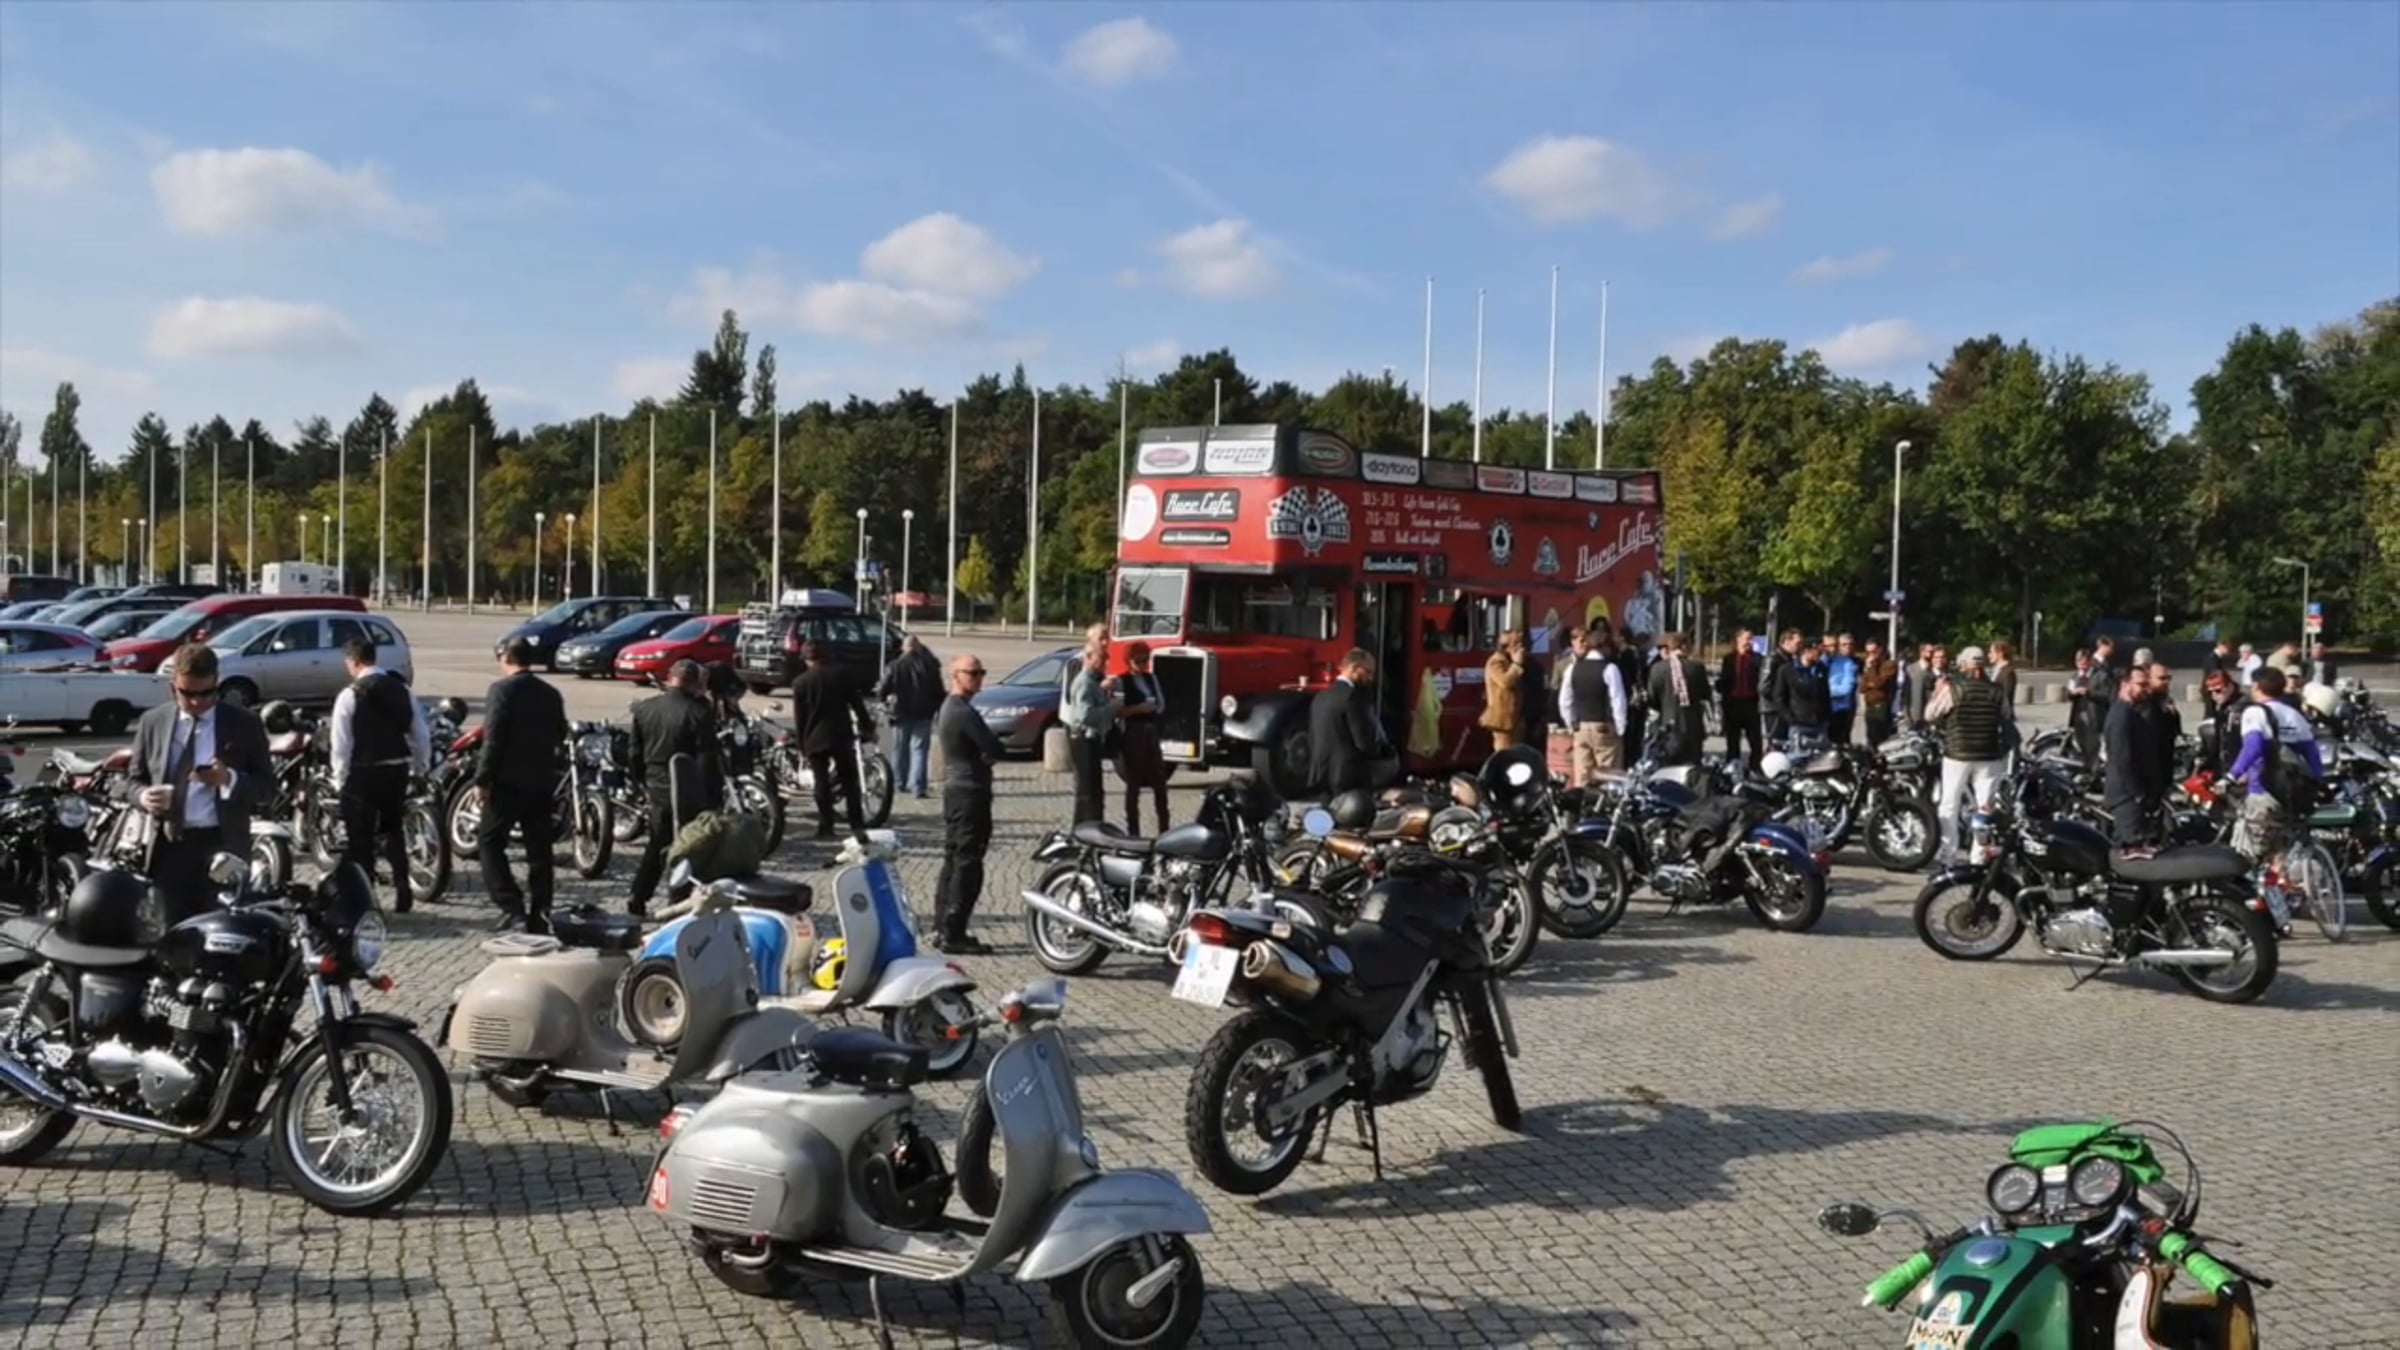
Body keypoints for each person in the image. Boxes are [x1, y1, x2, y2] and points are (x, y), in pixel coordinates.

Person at [122, 643, 275, 925]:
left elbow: (267, 788)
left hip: (222, 846)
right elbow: (130, 781)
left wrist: (229, 779)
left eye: (206, 693)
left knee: (218, 929)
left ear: (217, 683)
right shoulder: (153, 722)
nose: (197, 702)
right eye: (188, 694)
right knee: (170, 930)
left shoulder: (244, 723)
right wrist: (143, 796)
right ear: (173, 687)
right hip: (169, 847)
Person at [328, 637, 431, 914]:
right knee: (393, 830)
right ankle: (403, 887)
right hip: (396, 769)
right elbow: (420, 734)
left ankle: (367, 898)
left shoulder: (350, 695)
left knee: (360, 838)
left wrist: (340, 778)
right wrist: (420, 768)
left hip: (363, 772)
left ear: (354, 661)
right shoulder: (402, 690)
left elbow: (341, 744)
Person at [476, 637, 568, 933]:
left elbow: (493, 739)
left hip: (507, 782)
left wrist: (483, 779)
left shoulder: (502, 690)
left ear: (506, 658)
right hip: (541, 779)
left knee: (490, 842)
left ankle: (511, 906)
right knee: (540, 850)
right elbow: (560, 731)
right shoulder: (550, 693)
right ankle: (541, 911)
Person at [626, 659, 725, 916]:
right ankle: (678, 897)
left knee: (657, 844)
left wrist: (642, 783)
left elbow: (634, 753)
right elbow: (707, 759)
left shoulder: (645, 709)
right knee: (690, 845)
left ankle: (638, 896)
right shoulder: (699, 712)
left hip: (656, 784)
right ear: (694, 682)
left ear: (670, 677)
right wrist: (714, 797)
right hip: (689, 787)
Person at [932, 654, 1002, 954]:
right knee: (967, 862)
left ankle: (942, 926)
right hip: (969, 792)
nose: (978, 678)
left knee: (954, 858)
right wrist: (987, 755)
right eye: (972, 673)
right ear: (956, 675)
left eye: (981, 672)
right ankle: (953, 930)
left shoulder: (950, 708)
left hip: (957, 791)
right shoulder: (962, 711)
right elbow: (994, 747)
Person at [2225, 667, 2323, 867]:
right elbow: (2313, 756)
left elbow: (2253, 747)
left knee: (2245, 854)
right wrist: (2315, 783)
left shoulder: (2255, 712)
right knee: (2280, 855)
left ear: (2256, 687)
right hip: (2291, 795)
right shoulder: (2294, 715)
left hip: (2263, 790)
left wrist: (2232, 775)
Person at [1931, 646, 2009, 866]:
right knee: (1985, 806)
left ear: (1964, 664)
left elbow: (1931, 714)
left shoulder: (1953, 688)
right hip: (1989, 754)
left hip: (1957, 752)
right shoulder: (1997, 690)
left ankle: (1948, 855)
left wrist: (1937, 692)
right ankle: (1979, 856)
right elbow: (2006, 715)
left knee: (1950, 804)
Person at [791, 641, 873, 841]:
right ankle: (857, 824)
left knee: (821, 784)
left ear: (807, 659)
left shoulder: (801, 682)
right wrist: (868, 727)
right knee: (849, 782)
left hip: (814, 738)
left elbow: (800, 718)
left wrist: (801, 744)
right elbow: (857, 704)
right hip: (840, 735)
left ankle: (826, 825)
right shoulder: (842, 674)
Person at [1061, 627, 1119, 824]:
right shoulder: (1085, 681)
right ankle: (1084, 829)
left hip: (1093, 739)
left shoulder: (1094, 680)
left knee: (1094, 790)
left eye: (1106, 658)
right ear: (1089, 657)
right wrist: (1112, 708)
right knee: (1087, 792)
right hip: (1084, 739)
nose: (1105, 663)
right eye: (1101, 658)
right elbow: (1085, 715)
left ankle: (1093, 826)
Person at [875, 635, 945, 800]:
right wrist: (937, 709)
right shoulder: (930, 666)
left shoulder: (895, 665)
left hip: (900, 713)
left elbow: (882, 689)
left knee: (900, 749)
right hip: (924, 713)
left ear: (903, 648)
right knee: (919, 750)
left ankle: (899, 782)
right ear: (918, 647)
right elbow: (939, 691)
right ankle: (918, 787)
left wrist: (884, 702)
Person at [1111, 641, 1171, 834]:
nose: (1143, 664)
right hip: (1133, 731)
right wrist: (1139, 708)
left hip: (1151, 730)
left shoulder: (1151, 679)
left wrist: (1155, 708)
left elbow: (1161, 704)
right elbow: (1119, 712)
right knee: (1134, 781)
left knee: (1159, 779)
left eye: (1145, 660)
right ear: (1129, 661)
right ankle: (1133, 830)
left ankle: (1164, 828)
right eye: (1139, 661)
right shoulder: (1122, 681)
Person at [1307, 648, 1385, 795]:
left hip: (1322, 774)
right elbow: (1362, 742)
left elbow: (1312, 737)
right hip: (1348, 776)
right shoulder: (1353, 697)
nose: (1371, 678)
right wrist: (1380, 753)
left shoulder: (1320, 696)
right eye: (1368, 672)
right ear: (1354, 668)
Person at [2101, 663, 2159, 846]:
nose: (2146, 689)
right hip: (2125, 797)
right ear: (2125, 684)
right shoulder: (2121, 716)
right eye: (2141, 684)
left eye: (2147, 684)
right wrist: (2136, 793)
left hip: (2131, 795)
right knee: (2130, 848)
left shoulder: (2130, 712)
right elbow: (2122, 758)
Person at [1561, 627, 1627, 782]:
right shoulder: (1610, 668)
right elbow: (1618, 700)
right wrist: (1620, 727)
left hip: (1581, 727)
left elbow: (1565, 701)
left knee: (1582, 775)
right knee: (1608, 775)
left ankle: (1581, 797)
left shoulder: (1572, 669)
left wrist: (1570, 723)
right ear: (1604, 647)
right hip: (1603, 726)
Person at [1644, 632, 1709, 766]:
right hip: (1693, 726)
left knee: (1668, 766)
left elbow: (1652, 699)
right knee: (1692, 768)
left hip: (1668, 725)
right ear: (1685, 646)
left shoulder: (1658, 668)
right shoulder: (1696, 667)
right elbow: (1705, 694)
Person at [1717, 628, 1764, 766]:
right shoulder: (1729, 659)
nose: (1749, 642)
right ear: (1738, 639)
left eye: (1751, 639)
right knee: (1732, 740)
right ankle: (1733, 765)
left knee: (1755, 741)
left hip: (1751, 703)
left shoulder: (1758, 659)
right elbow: (1724, 680)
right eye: (1746, 638)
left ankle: (1755, 767)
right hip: (1733, 703)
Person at [1479, 630, 1527, 751]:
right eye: (1516, 644)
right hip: (1502, 719)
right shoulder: (1496, 662)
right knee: (1504, 752)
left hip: (1514, 717)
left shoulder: (1508, 661)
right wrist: (1516, 664)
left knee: (1515, 751)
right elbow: (1505, 681)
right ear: (1506, 647)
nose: (1521, 648)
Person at [1781, 639, 1832, 745]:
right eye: (1818, 651)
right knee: (1798, 753)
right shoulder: (1788, 670)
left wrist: (1826, 717)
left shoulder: (1822, 669)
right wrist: (1790, 718)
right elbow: (1779, 697)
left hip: (1819, 723)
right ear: (1806, 651)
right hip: (1799, 723)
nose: (1820, 655)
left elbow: (1826, 694)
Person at [1858, 639, 1900, 747]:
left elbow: (1879, 683)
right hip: (1869, 706)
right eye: (1868, 652)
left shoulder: (1889, 665)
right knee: (1871, 738)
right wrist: (1868, 672)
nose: (1871, 655)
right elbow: (1862, 688)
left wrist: (1871, 668)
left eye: (1874, 651)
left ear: (1881, 649)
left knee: (1881, 739)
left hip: (1882, 705)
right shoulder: (1869, 667)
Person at [1824, 634, 1860, 745]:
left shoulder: (1847, 663)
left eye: (1834, 646)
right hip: (1821, 708)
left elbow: (1847, 687)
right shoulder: (1820, 661)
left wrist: (1826, 692)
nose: (1831, 649)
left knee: (1840, 739)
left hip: (1840, 707)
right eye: (1828, 646)